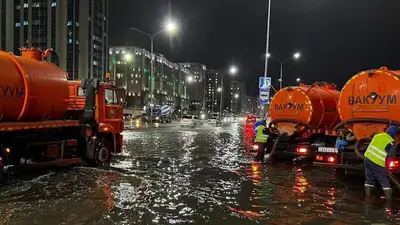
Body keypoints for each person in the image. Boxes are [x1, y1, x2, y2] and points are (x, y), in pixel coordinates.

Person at [364, 125, 398, 200]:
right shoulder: (391, 142)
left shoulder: (377, 135)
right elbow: (391, 156)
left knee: (369, 179)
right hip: (377, 162)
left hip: (367, 158)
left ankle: (368, 197)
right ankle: (389, 202)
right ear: (394, 134)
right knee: (384, 181)